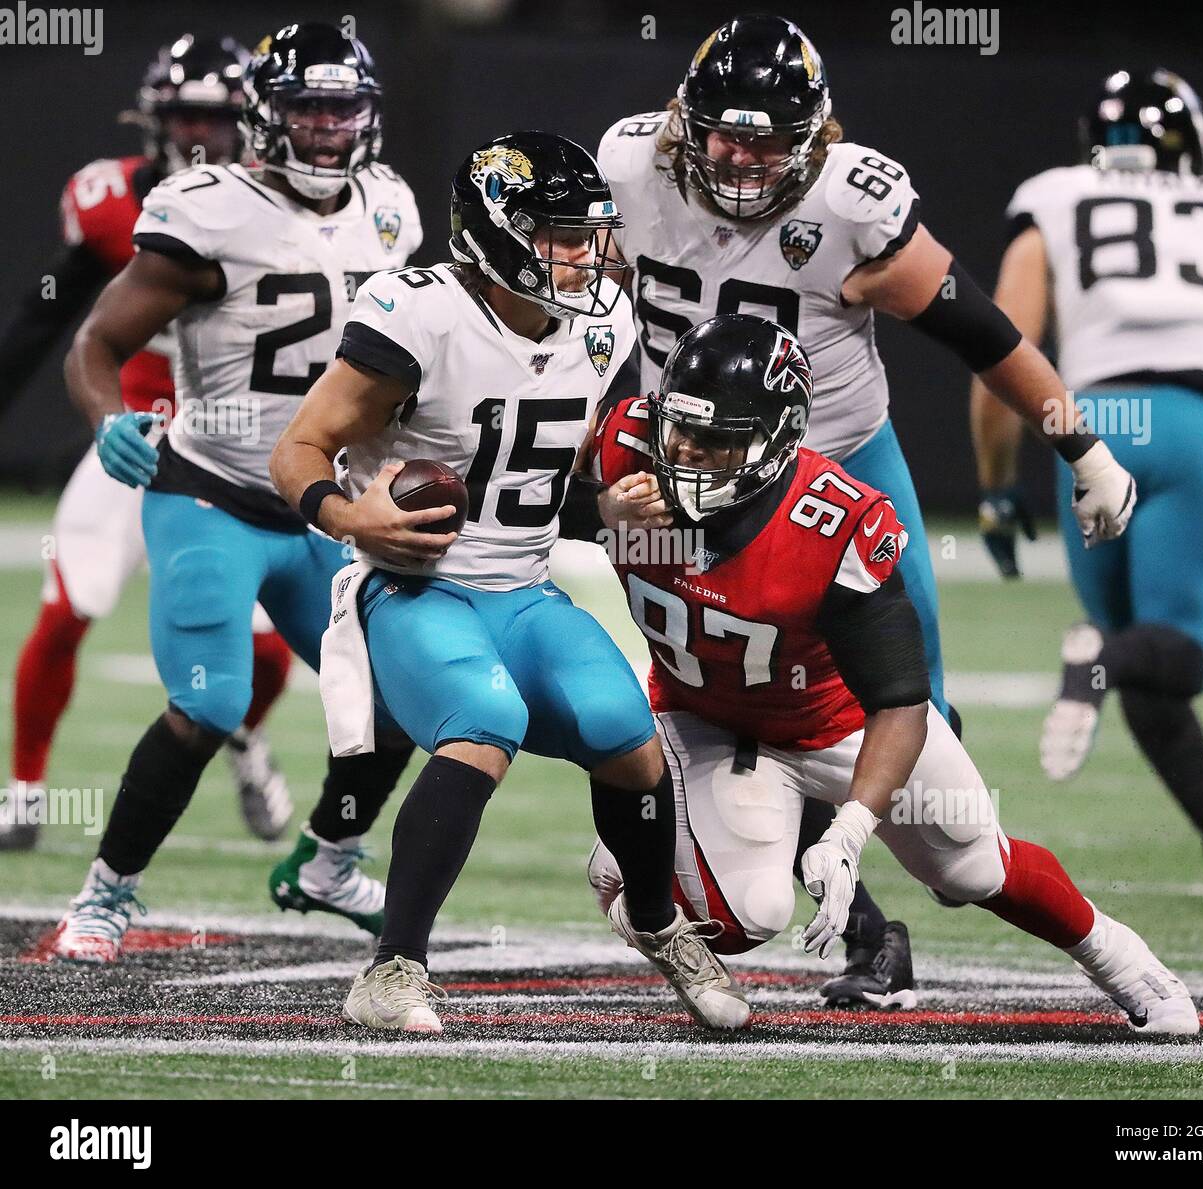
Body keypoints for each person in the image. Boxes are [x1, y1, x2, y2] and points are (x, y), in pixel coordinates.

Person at [597, 12, 1139, 1002]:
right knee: (734, 687)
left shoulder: (853, 206)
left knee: (914, 713)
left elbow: (981, 330)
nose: (742, 158)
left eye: (768, 141)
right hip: (693, 472)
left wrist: (1080, 441)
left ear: (815, 138)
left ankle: (928, 875)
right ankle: (860, 931)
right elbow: (597, 306)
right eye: (724, 133)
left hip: (840, 468)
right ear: (685, 118)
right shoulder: (631, 168)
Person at [587, 313, 1199, 1036]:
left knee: (973, 866)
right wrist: (597, 509)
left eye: (717, 439)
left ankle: (1124, 961)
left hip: (837, 721)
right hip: (703, 718)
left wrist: (849, 832)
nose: (686, 453)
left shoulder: (829, 523)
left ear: (775, 442)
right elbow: (523, 509)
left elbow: (900, 698)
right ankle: (629, 872)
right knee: (748, 914)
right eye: (679, 429)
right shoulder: (624, 448)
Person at [271, 130, 751, 1036]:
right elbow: (296, 450)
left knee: (626, 730)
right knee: (484, 721)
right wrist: (349, 517)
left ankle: (656, 920)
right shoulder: (418, 314)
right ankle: (392, 967)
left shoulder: (605, 321)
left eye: (590, 232)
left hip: (523, 590)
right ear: (496, 234)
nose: (586, 253)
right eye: (561, 234)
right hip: (414, 586)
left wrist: (608, 509)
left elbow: (542, 485)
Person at [50, 22, 425, 962]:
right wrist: (108, 421)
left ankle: (329, 861)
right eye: (307, 107)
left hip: (324, 506)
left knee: (403, 697)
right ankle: (105, 894)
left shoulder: (390, 206)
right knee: (210, 702)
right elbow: (95, 343)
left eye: (342, 108)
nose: (328, 128)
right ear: (267, 113)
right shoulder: (207, 209)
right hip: (211, 489)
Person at [971, 70, 1203, 901]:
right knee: (1172, 659)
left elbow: (1001, 348)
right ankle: (1097, 654)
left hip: (1093, 425)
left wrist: (997, 489)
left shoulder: (1055, 197)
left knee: (1132, 665)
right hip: (1199, 421)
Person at [0, 34, 293, 851]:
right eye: (185, 115)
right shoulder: (109, 203)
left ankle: (243, 737)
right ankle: (23, 790)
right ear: (153, 119)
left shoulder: (287, 211)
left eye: (218, 115)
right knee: (68, 607)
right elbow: (49, 319)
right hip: (133, 436)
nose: (201, 134)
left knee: (272, 654)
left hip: (237, 449)